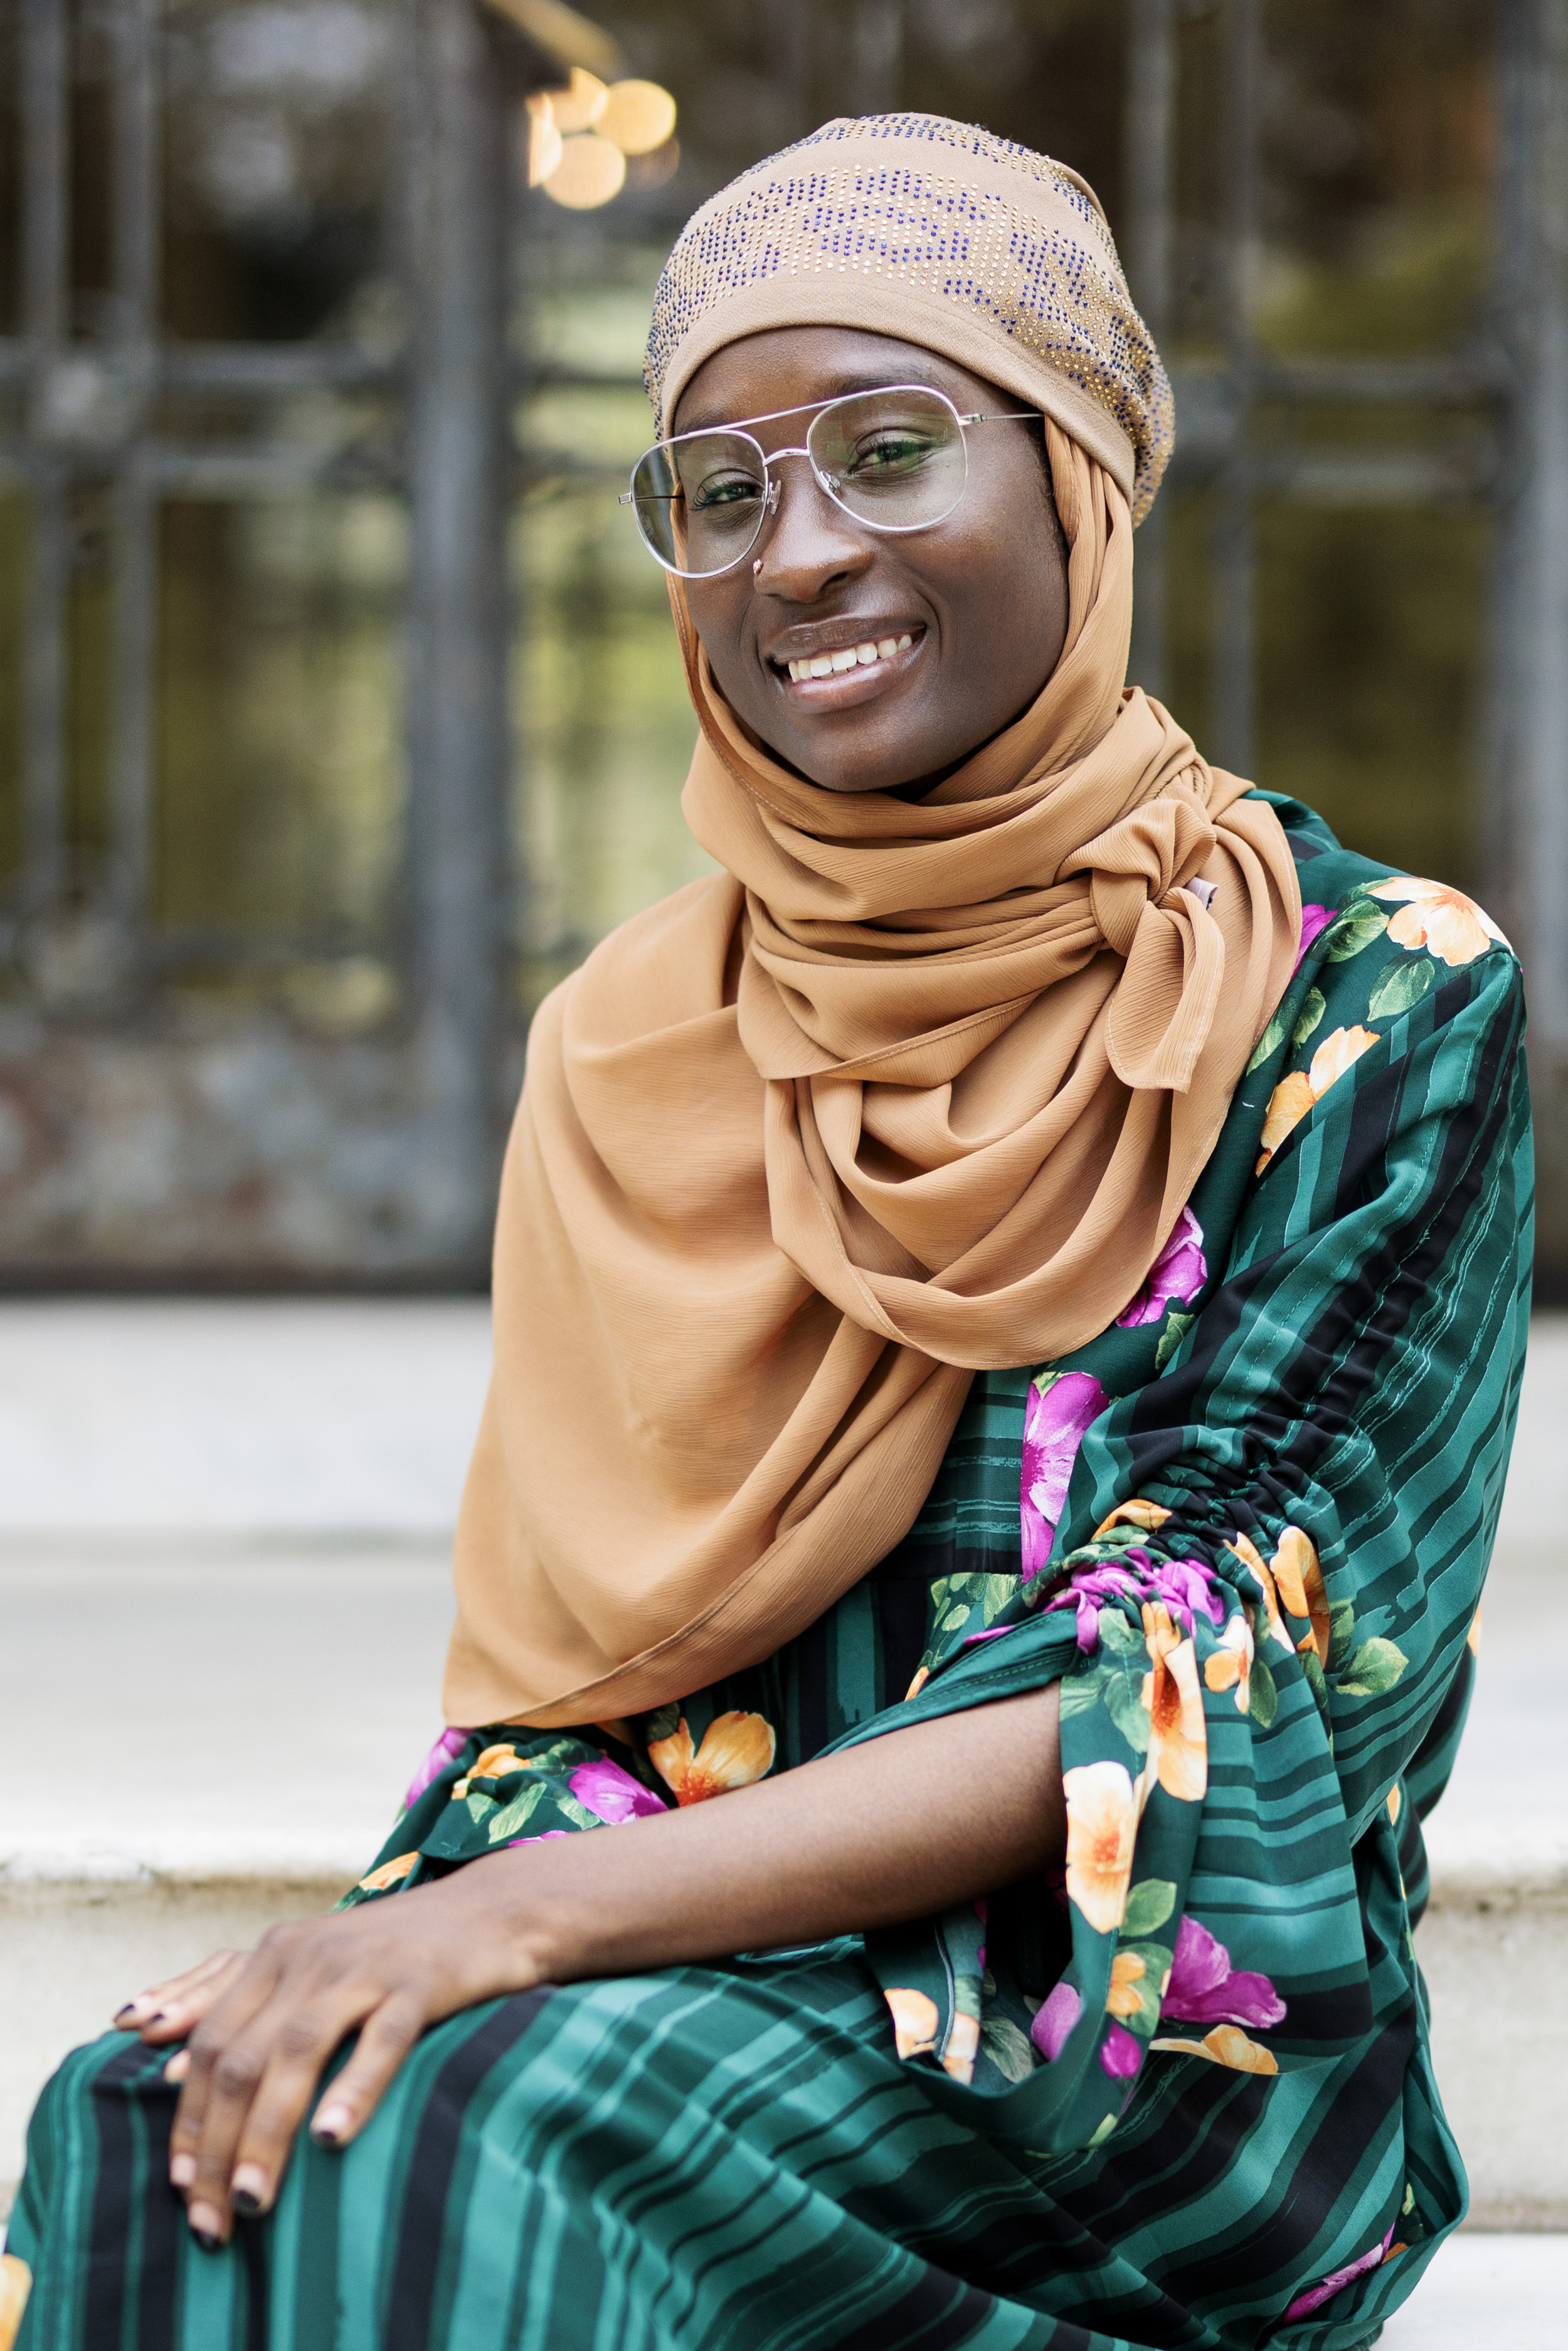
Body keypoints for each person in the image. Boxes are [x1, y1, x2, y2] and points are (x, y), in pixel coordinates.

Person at [4, 114, 1528, 2351]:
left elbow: (1191, 1678)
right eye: (717, 490)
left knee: (478, 2133)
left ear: (1077, 477)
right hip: (662, 1958)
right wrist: (465, 1914)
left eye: (887, 451)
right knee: (159, 2127)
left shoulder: (1366, 997)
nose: (796, 552)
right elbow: (585, 1688)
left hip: (1122, 2049)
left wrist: (523, 1928)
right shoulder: (637, 1037)